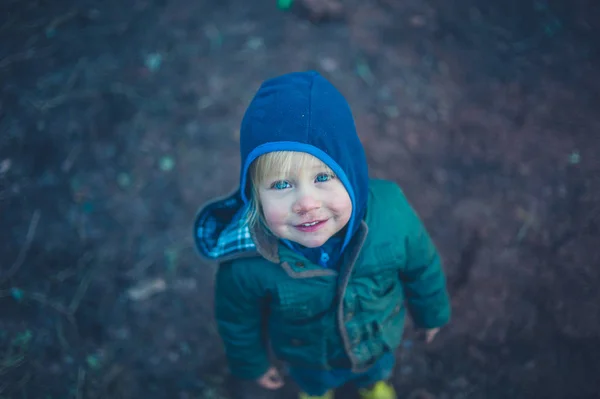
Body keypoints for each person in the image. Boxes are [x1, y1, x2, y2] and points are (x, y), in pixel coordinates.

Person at [194, 71, 451, 399]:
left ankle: (374, 386)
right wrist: (252, 365)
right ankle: (318, 394)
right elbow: (237, 321)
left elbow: (422, 266)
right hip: (309, 360)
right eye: (282, 184)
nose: (305, 203)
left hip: (376, 339)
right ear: (253, 195)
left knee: (377, 370)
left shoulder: (392, 213)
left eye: (323, 176)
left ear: (353, 174)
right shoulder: (246, 263)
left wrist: (432, 313)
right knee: (314, 386)